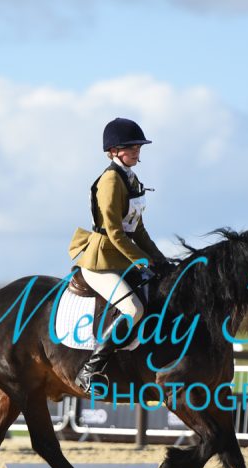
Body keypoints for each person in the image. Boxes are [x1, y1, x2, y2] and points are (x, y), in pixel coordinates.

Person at [67, 117, 168, 392]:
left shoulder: (131, 178)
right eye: (130, 147)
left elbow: (139, 230)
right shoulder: (111, 180)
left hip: (121, 258)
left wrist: (160, 259)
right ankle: (90, 369)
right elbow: (114, 232)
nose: (136, 151)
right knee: (134, 309)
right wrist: (142, 261)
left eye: (138, 146)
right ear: (113, 151)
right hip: (100, 262)